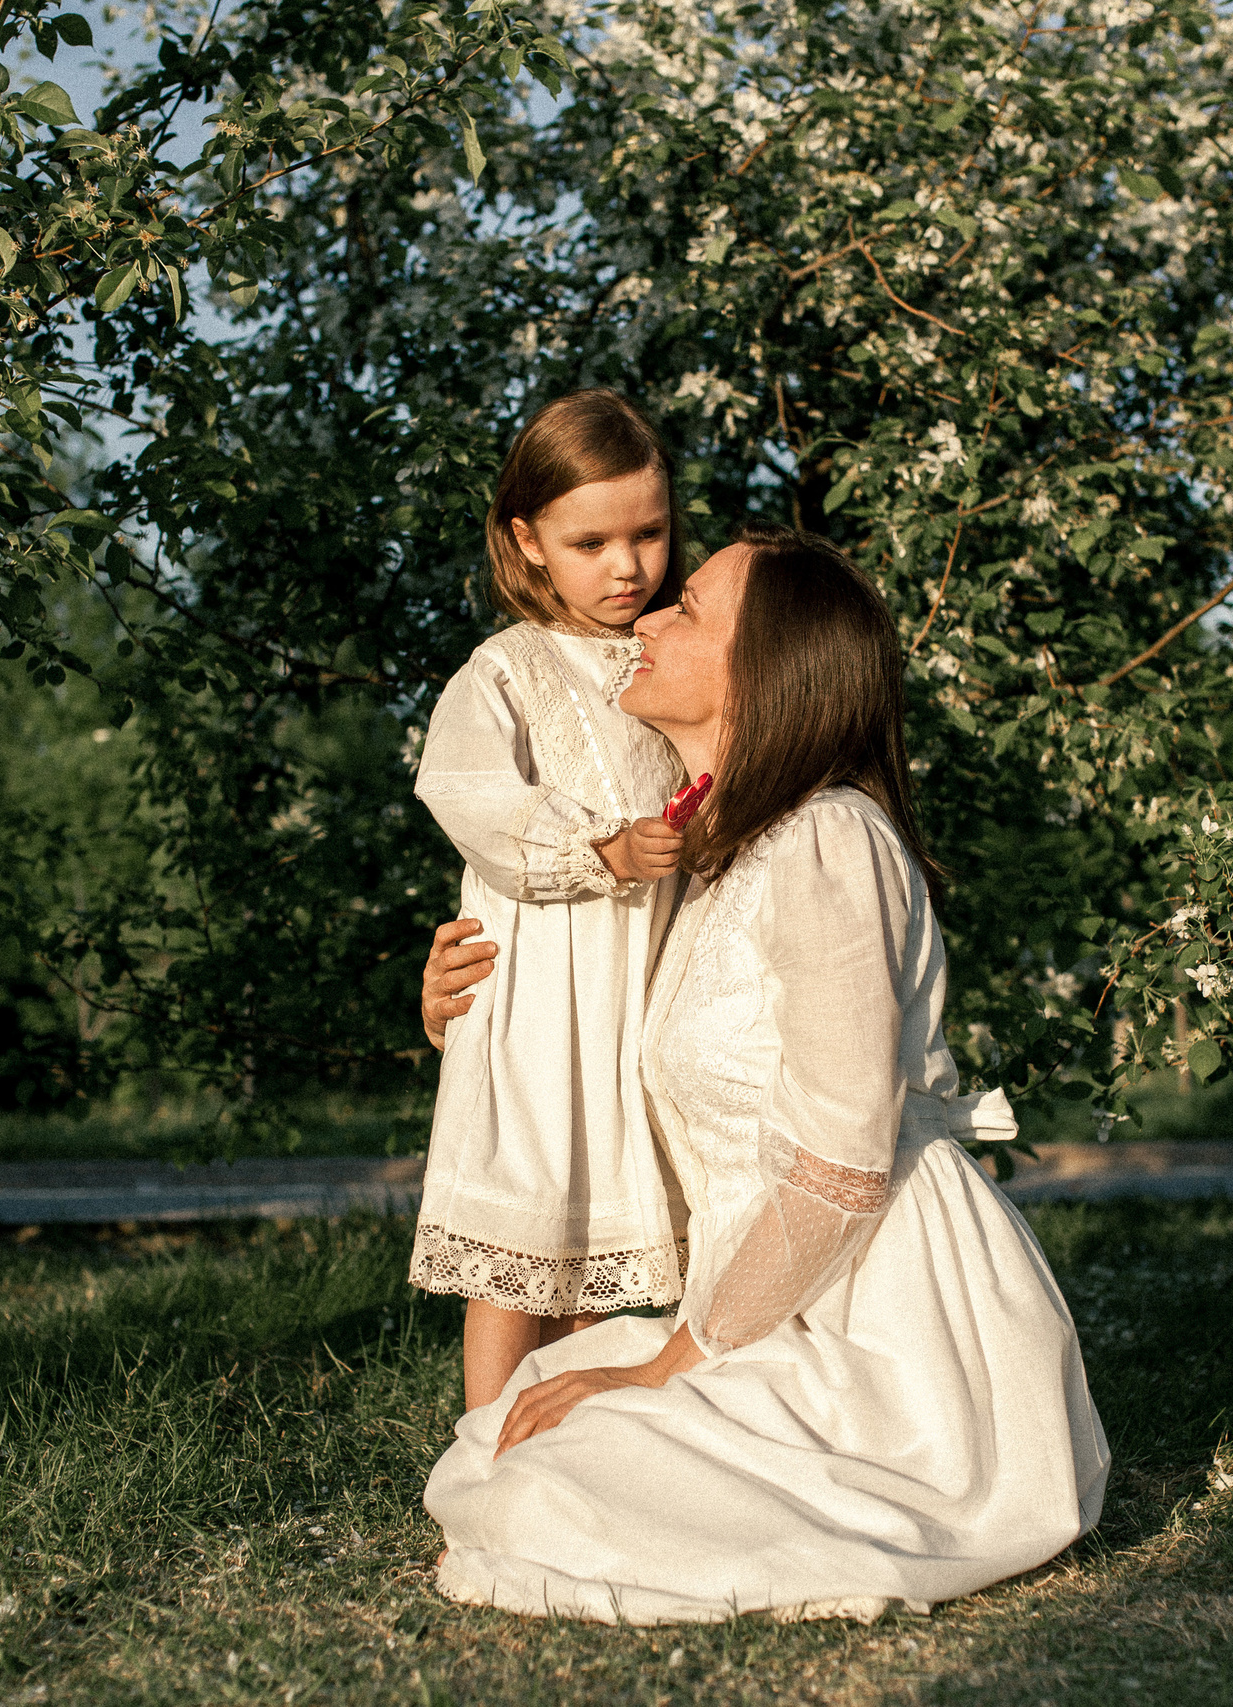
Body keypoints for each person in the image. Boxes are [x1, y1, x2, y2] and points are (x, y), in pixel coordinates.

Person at [417, 526, 1110, 1624]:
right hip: (766, 1297)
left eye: (684, 607)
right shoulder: (727, 852)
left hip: (882, 1331)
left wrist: (668, 1368)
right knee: (517, 1429)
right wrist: (457, 987)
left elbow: (839, 1161)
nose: (644, 615)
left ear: (763, 668)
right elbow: (584, 1010)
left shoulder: (831, 842)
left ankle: (843, 1470)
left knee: (556, 1477)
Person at [409, 389, 698, 1413]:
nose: (626, 568)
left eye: (649, 533)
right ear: (527, 540)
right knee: (525, 1236)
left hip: (641, 983)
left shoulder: (678, 651)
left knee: (616, 1241)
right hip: (541, 994)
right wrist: (597, 849)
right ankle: (488, 1440)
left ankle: (581, 1435)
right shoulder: (511, 668)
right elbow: (464, 789)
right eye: (590, 543)